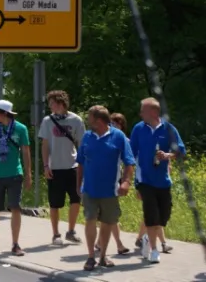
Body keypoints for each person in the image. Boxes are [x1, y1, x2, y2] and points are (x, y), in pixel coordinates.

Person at [76, 105, 135, 271]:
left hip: (110, 190)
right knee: (90, 219)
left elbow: (129, 162)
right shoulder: (87, 136)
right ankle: (90, 257)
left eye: (90, 119)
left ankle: (102, 256)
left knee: (108, 222)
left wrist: (126, 182)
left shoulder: (118, 136)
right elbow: (80, 162)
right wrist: (78, 184)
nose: (88, 122)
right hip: (89, 188)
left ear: (99, 121)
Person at [130, 97, 185, 264]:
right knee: (151, 216)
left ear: (153, 112)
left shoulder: (168, 129)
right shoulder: (138, 129)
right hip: (145, 180)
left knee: (163, 217)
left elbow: (180, 151)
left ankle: (148, 237)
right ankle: (154, 250)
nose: (140, 113)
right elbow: (130, 156)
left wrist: (168, 155)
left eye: (143, 110)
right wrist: (133, 183)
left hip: (163, 180)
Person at [0, 100, 32, 256]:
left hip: (15, 173)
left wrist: (28, 173)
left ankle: (15, 243)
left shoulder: (20, 129)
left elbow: (26, 151)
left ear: (4, 113)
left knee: (15, 207)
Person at [39, 90, 85, 245]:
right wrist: (46, 165)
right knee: (55, 203)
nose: (51, 106)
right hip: (55, 167)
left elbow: (81, 144)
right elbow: (44, 145)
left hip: (73, 166)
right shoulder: (47, 121)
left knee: (76, 199)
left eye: (53, 103)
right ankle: (56, 233)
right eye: (49, 103)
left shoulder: (76, 120)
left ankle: (71, 230)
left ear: (61, 103)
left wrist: (82, 166)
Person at [94, 113, 130, 255]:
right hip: (102, 181)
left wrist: (127, 181)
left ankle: (98, 242)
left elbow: (130, 161)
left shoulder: (124, 140)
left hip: (115, 180)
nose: (115, 126)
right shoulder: (102, 137)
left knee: (109, 214)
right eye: (112, 123)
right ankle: (119, 244)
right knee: (110, 215)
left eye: (118, 123)